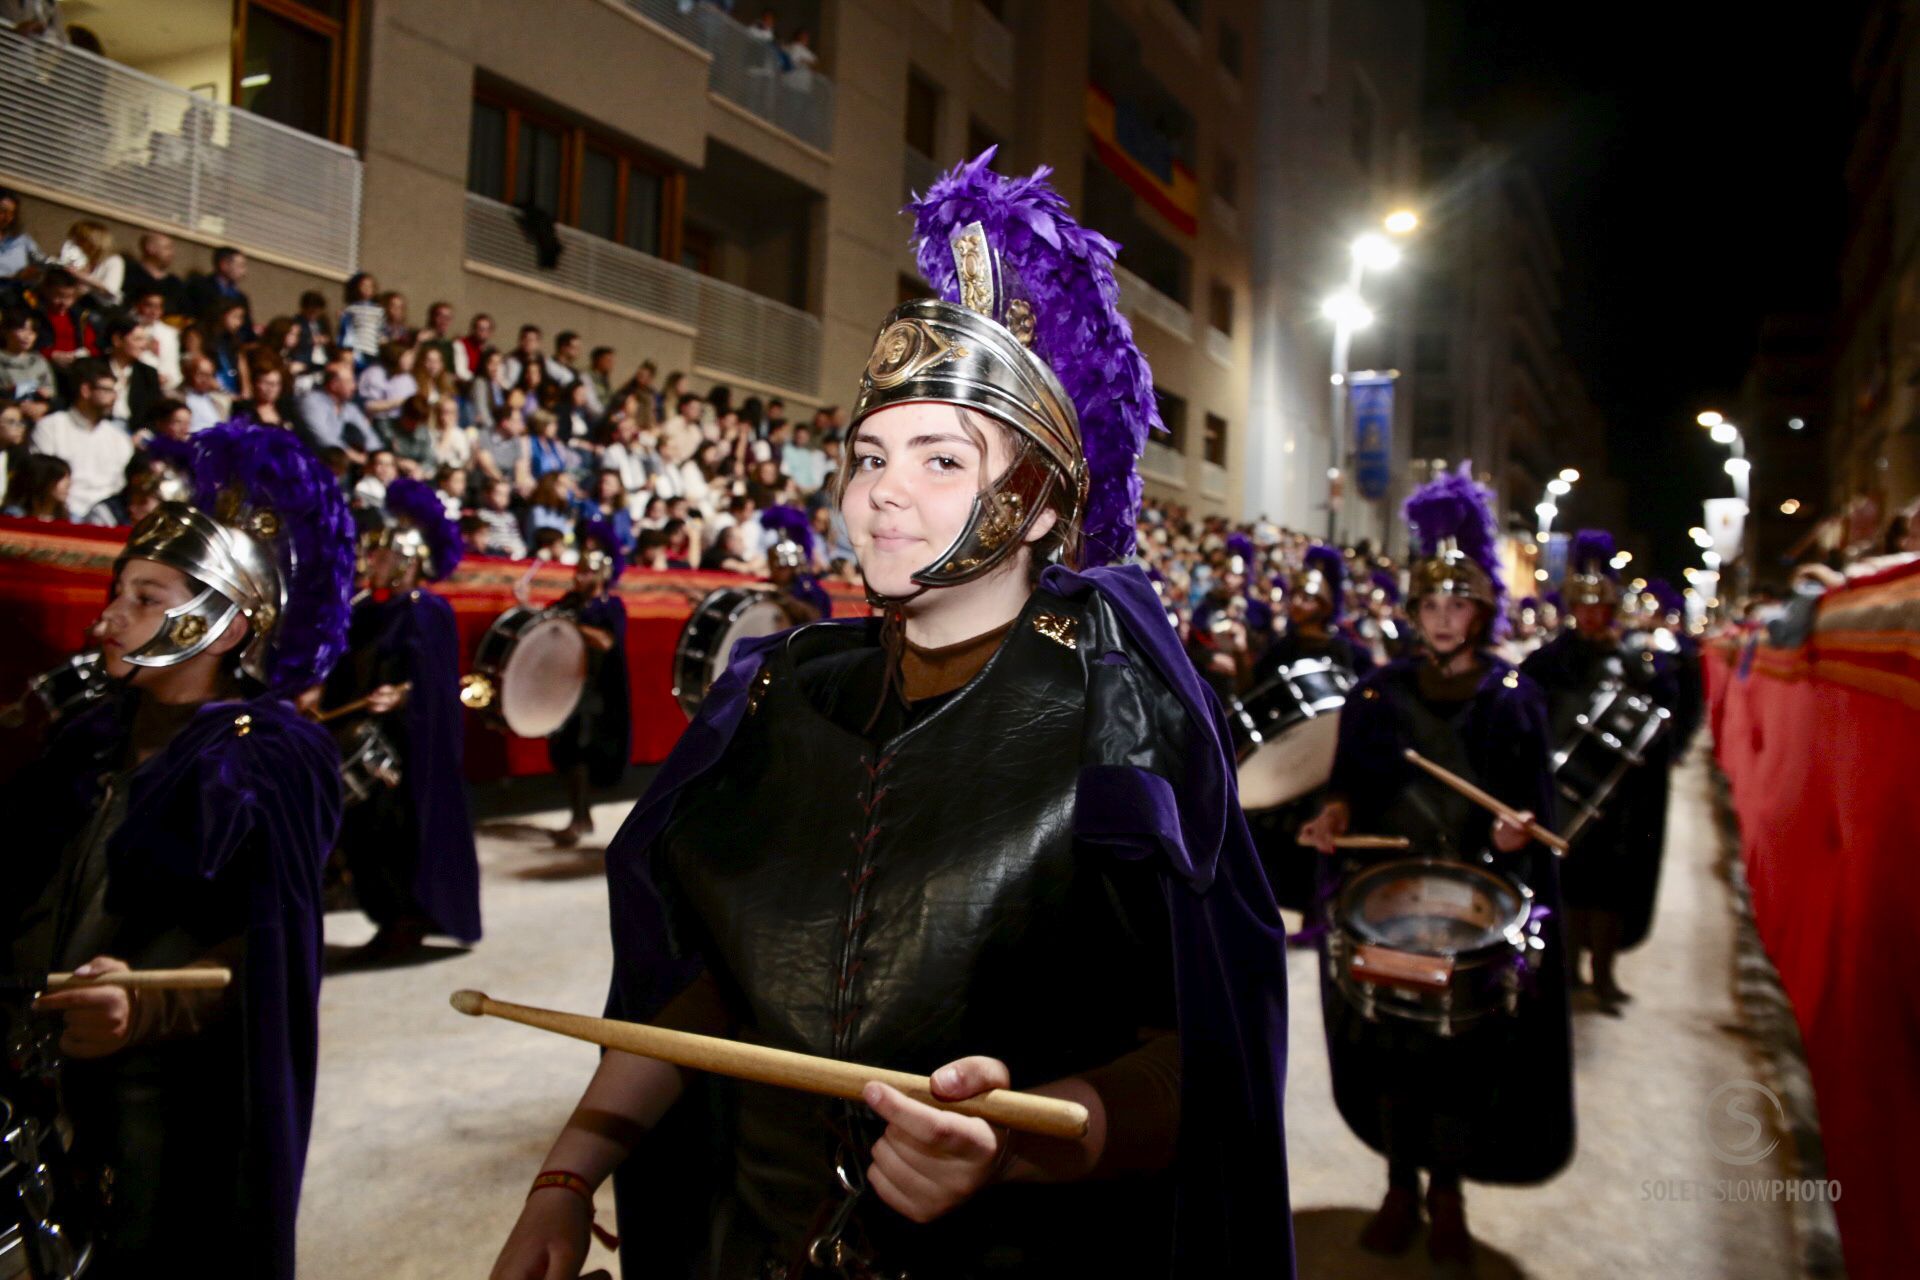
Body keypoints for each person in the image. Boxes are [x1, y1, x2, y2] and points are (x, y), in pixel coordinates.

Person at [488, 150, 1291, 1280]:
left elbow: (1201, 1058)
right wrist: (570, 1170)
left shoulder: (1120, 714)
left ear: (1039, 503)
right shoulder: (780, 690)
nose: (882, 491)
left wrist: (1021, 1137)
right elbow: (704, 985)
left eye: (941, 457)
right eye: (870, 453)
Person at [3, 422, 354, 1280]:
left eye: (147, 599)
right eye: (118, 592)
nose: (109, 618)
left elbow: (266, 955)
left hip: (168, 1113)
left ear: (230, 626)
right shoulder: (90, 736)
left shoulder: (273, 752)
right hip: (39, 1091)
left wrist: (146, 1008)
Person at [1298, 464, 1572, 1269]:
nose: (1445, 617)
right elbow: (1350, 784)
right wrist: (1336, 818)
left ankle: (1446, 1190)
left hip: (1476, 908)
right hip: (1386, 899)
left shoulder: (1511, 697)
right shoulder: (1377, 694)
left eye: (1459, 604)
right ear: (1414, 611)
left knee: (1459, 1062)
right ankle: (1396, 1185)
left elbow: (1530, 808)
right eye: (1431, 604)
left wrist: (1519, 837)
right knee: (1391, 1051)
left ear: (1481, 611)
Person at [313, 477, 481, 961]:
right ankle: (385, 913)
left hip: (408, 744)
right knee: (365, 832)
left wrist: (406, 694)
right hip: (363, 731)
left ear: (408, 562)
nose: (373, 564)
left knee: (399, 831)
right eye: (372, 556)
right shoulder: (363, 609)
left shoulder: (429, 611)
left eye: (383, 558)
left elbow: (437, 680)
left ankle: (409, 919)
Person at [1519, 530, 1679, 1014]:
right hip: (1564, 789)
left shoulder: (1633, 660)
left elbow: (1662, 714)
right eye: (1582, 607)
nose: (1590, 615)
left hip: (1617, 796)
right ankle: (1568, 974)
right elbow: (1523, 707)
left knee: (1610, 887)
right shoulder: (1548, 661)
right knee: (1568, 880)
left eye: (1598, 607)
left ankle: (1605, 976)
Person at [545, 519, 630, 846]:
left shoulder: (611, 606)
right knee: (566, 750)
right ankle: (581, 816)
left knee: (578, 752)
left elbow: (606, 642)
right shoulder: (569, 602)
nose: (579, 577)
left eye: (586, 572)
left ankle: (580, 820)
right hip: (568, 683)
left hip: (596, 687)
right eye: (577, 571)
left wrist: (571, 628)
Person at [30, 358, 130, 519]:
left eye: (114, 391)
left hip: (107, 518)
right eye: (106, 390)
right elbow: (43, 479)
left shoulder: (119, 438)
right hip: (63, 515)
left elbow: (119, 486)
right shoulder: (50, 427)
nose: (114, 398)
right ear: (85, 390)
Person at [184, 245, 253, 342]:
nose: (244, 272)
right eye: (240, 266)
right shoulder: (200, 287)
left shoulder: (241, 298)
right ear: (223, 265)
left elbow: (246, 330)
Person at [119, 231, 188, 318]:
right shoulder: (129, 272)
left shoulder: (174, 284)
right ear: (150, 248)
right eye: (167, 248)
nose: (171, 253)